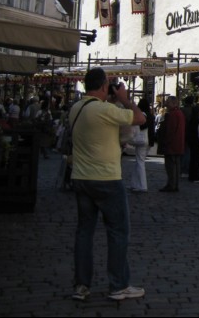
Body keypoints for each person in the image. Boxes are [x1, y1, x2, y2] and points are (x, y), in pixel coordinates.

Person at [69, 67, 146, 301]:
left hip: (81, 177)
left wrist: (112, 100)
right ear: (104, 86)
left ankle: (81, 285)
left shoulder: (76, 108)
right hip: (106, 178)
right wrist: (125, 99)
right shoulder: (106, 110)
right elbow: (140, 118)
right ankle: (118, 284)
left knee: (84, 233)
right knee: (118, 231)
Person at [127, 99, 153, 193]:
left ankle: (142, 185)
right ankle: (134, 183)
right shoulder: (151, 115)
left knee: (140, 162)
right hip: (148, 141)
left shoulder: (143, 115)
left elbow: (140, 126)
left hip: (142, 141)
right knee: (139, 162)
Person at [160, 96, 185, 192]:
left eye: (168, 102)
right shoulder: (179, 113)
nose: (166, 104)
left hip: (172, 145)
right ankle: (175, 184)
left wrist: (166, 141)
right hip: (178, 144)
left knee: (171, 166)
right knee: (176, 165)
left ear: (174, 103)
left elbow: (170, 130)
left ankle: (171, 184)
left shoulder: (173, 114)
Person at [186, 99, 199, 183]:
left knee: (192, 160)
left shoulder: (190, 120)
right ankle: (197, 176)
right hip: (197, 143)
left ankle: (191, 175)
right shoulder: (198, 121)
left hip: (191, 142)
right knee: (197, 161)